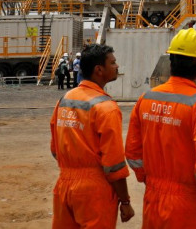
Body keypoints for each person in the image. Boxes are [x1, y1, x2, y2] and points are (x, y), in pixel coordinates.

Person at [125, 29, 196, 228]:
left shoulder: (147, 99)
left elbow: (133, 153)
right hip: (189, 206)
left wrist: (149, 180)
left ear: (171, 63)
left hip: (153, 200)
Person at [50, 43, 135, 228]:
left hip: (64, 186)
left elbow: (55, 149)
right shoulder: (106, 108)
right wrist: (125, 201)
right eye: (112, 63)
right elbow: (114, 164)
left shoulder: (64, 100)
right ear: (99, 70)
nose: (117, 66)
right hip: (93, 191)